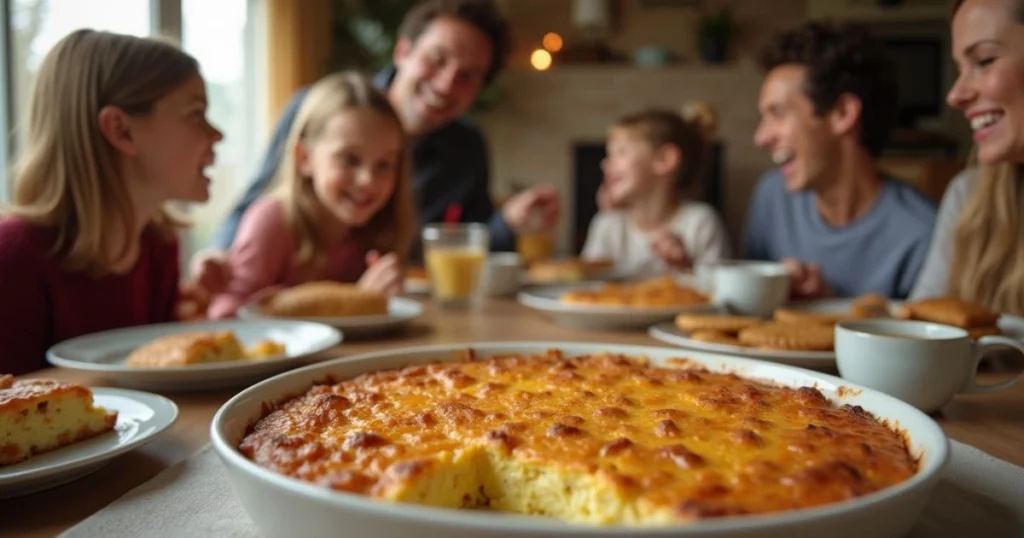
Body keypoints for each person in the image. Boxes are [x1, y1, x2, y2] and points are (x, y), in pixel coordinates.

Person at [196, 0, 559, 287]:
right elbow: (262, 196)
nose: (447, 84)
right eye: (437, 60)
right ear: (403, 51)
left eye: (467, 77)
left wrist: (508, 223)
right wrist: (218, 256)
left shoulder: (467, 146)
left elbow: (469, 241)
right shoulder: (321, 107)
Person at [0, 30, 222, 375]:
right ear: (121, 130)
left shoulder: (158, 246)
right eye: (196, 113)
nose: (216, 134)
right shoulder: (12, 257)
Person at [743, 21, 938, 300]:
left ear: (843, 114)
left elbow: (921, 340)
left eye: (778, 113)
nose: (761, 137)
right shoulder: (771, 198)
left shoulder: (922, 235)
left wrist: (829, 306)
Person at [207, 72, 415, 318]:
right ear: (304, 158)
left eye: (384, 165)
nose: (367, 180)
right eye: (349, 159)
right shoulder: (272, 221)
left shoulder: (380, 229)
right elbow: (223, 315)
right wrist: (355, 302)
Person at [910, 0, 1024, 314]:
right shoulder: (969, 196)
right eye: (960, 68)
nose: (955, 95)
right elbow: (919, 325)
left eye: (984, 61)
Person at [582, 109, 730, 278]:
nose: (605, 163)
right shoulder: (606, 226)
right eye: (609, 154)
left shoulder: (701, 223)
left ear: (664, 159)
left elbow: (718, 292)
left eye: (621, 152)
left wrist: (685, 267)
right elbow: (585, 286)